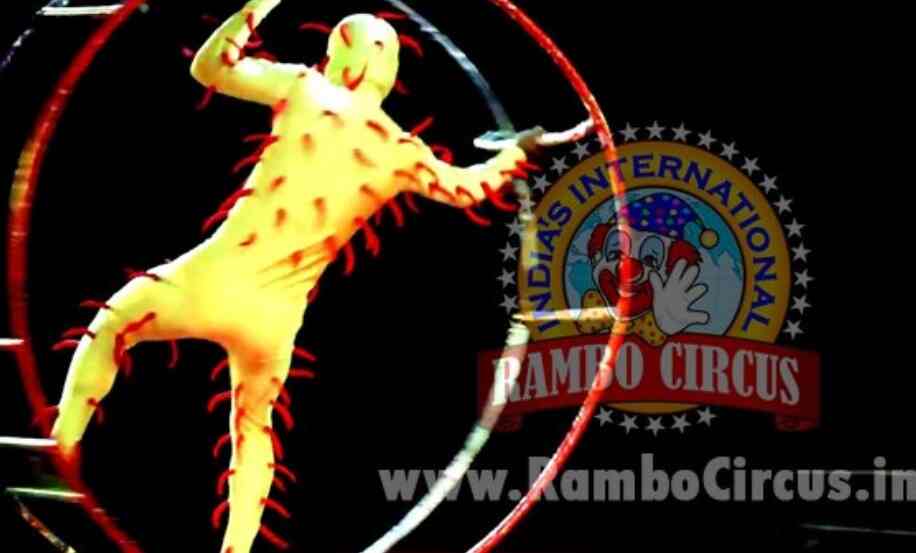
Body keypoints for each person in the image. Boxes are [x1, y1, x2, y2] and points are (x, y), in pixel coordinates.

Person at [50, 1, 541, 551]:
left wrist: (259, 2)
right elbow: (470, 188)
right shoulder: (401, 150)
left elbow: (210, 68)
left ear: (335, 56)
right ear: (390, 72)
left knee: (114, 324)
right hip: (273, 320)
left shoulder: (306, 89)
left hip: (214, 280)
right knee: (252, 428)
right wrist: (516, 153)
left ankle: (62, 447)